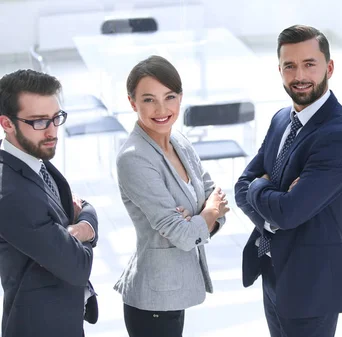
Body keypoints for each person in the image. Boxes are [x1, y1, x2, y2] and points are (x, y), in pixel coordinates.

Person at [234, 25, 342, 337]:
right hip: (272, 270)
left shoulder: (339, 136)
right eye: (289, 66)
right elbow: (241, 187)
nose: (299, 75)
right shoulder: (282, 119)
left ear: (329, 68)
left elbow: (288, 211)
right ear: (279, 70)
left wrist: (260, 188)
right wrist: (270, 209)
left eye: (310, 64)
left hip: (312, 286)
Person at [113, 55, 229, 337]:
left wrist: (201, 217)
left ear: (180, 97)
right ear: (132, 103)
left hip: (174, 292)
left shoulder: (179, 141)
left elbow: (216, 197)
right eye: (149, 99)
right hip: (153, 301)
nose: (162, 109)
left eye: (170, 97)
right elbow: (183, 234)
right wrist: (207, 213)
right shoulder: (134, 158)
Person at [0, 69, 99, 337]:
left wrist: (83, 228)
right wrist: (86, 232)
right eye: (39, 122)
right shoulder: (9, 193)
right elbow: (77, 266)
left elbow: (83, 206)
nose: (52, 131)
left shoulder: (35, 162)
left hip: (64, 320)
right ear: (7, 124)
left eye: (56, 118)